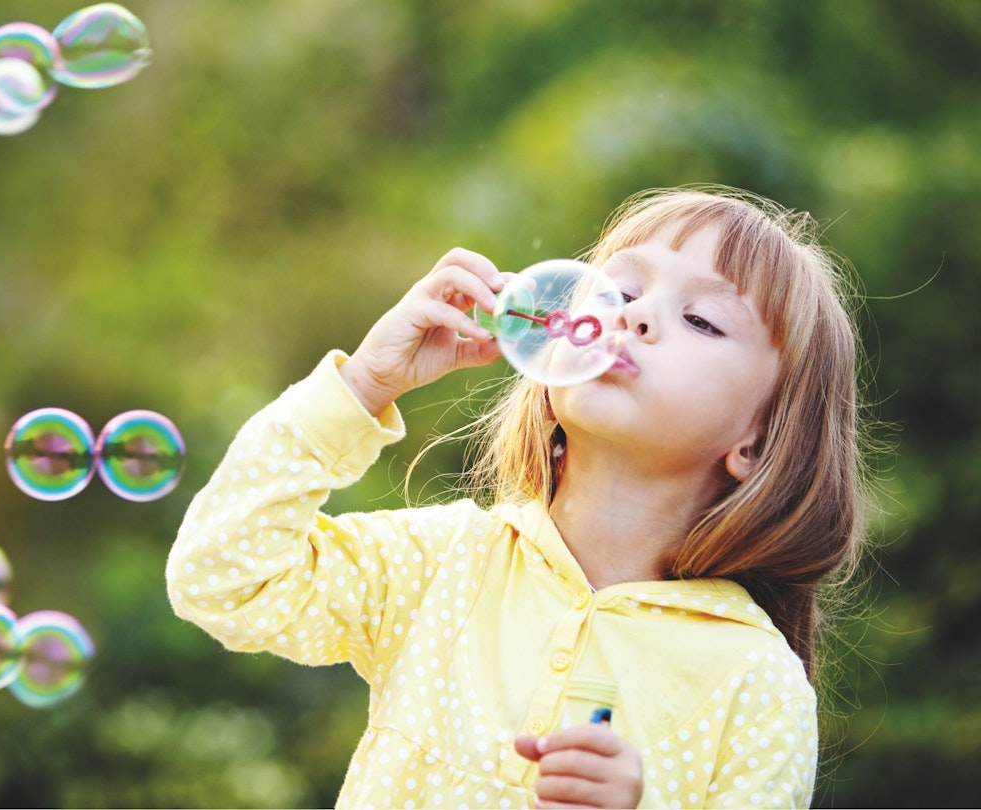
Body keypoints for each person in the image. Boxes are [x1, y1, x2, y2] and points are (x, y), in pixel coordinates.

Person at [166, 186, 869, 809]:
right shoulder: (444, 564)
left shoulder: (755, 683)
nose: (636, 318)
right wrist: (364, 386)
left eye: (703, 321)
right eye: (619, 292)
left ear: (756, 441)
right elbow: (223, 578)